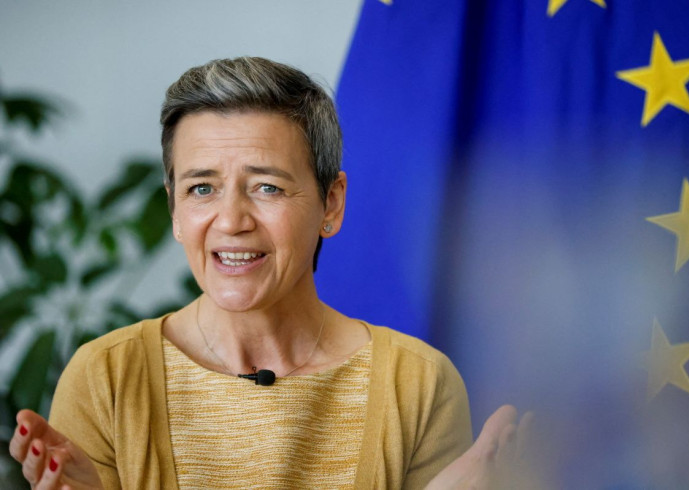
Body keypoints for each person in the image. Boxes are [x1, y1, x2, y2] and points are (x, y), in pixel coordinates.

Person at [9, 56, 530, 489]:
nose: (232, 221)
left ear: (331, 203)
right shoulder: (106, 377)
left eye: (267, 188)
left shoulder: (417, 384)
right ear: (174, 210)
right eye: (201, 188)